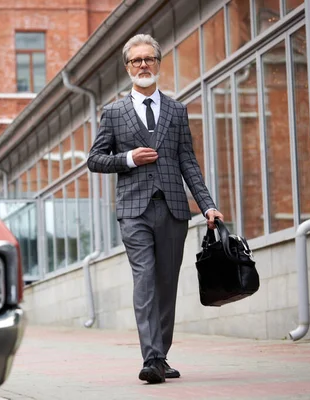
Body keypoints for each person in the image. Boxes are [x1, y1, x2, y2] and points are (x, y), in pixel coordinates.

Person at [86, 34, 224, 384]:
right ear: (128, 67)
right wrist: (128, 158)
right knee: (145, 280)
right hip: (134, 211)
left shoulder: (177, 110)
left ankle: (160, 355)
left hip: (174, 210)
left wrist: (208, 206)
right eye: (136, 61)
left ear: (158, 64)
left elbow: (188, 162)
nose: (143, 65)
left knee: (166, 284)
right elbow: (94, 159)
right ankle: (150, 359)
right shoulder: (114, 112)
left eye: (149, 59)